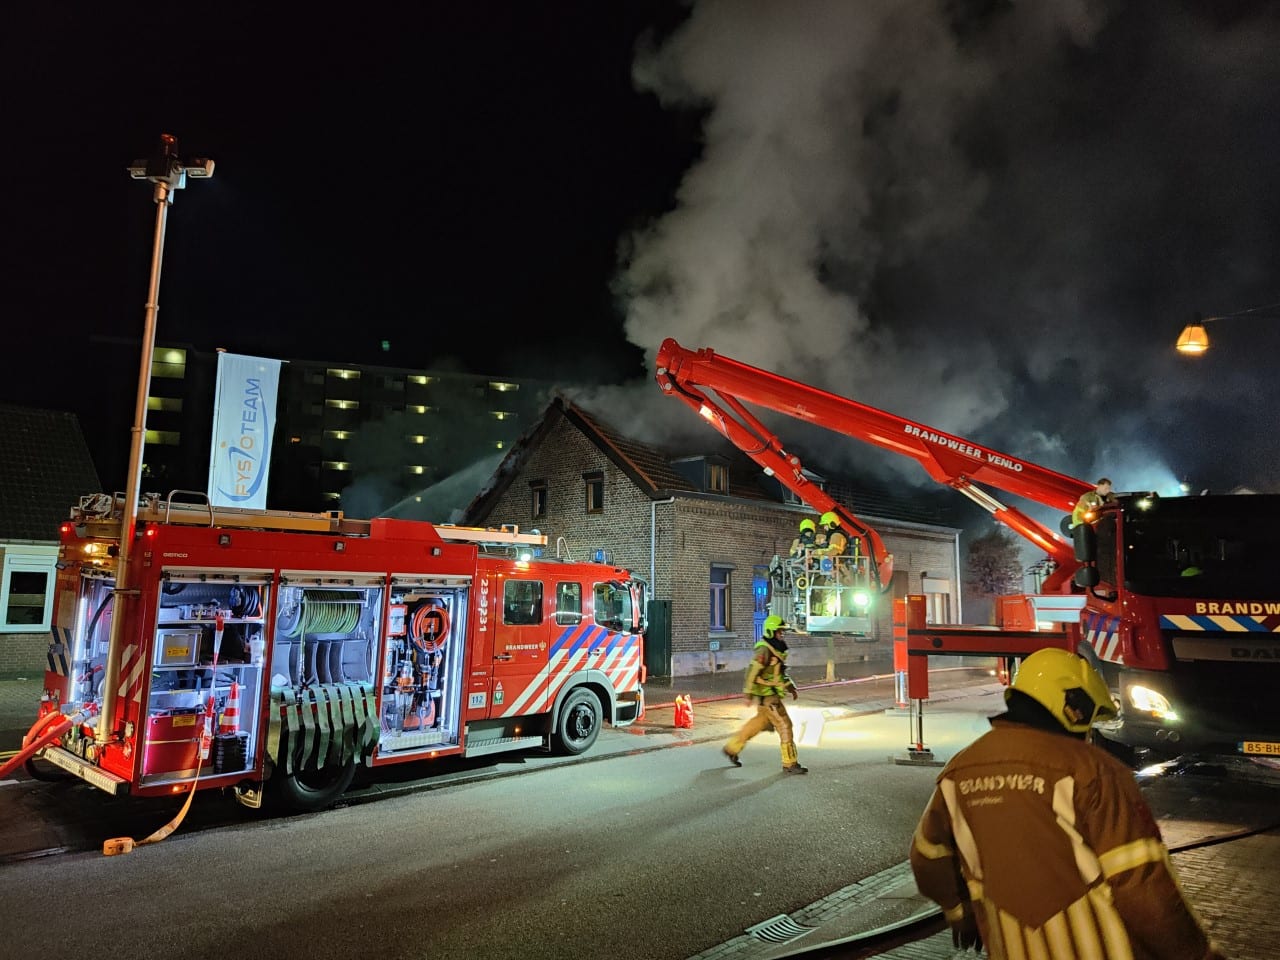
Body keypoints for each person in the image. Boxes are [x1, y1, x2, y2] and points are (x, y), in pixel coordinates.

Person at [909, 648, 1225, 960]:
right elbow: (1140, 884)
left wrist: (959, 910)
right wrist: (1198, 954)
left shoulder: (959, 771)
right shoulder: (1095, 771)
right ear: (1073, 707)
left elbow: (926, 858)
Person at [722, 615, 808, 774]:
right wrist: (747, 693)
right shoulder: (764, 650)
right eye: (779, 631)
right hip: (769, 698)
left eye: (782, 631)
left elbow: (779, 674)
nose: (782, 634)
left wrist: (791, 687)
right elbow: (752, 672)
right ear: (771, 632)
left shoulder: (776, 650)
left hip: (770, 696)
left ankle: (731, 748)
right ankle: (790, 763)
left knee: (758, 724)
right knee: (785, 726)